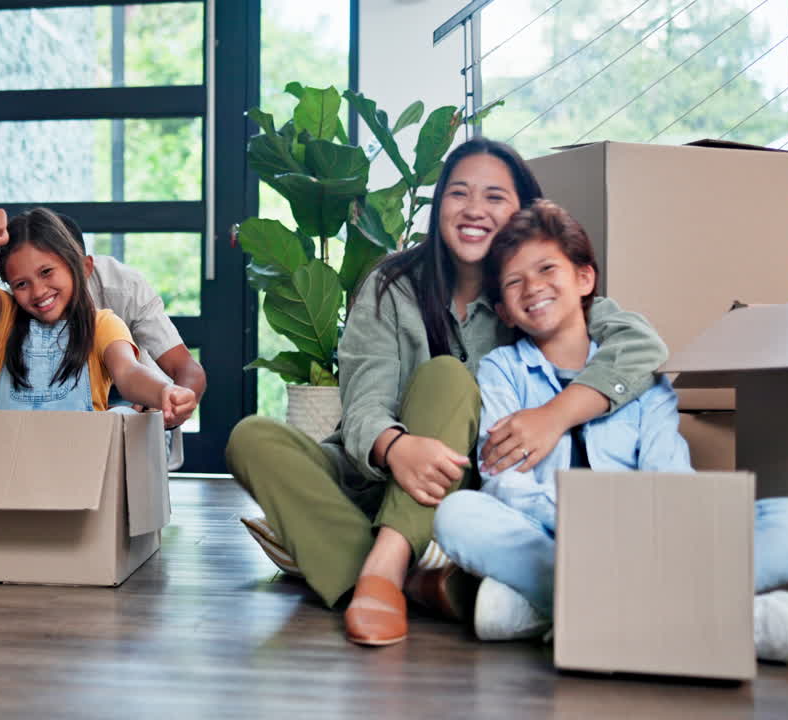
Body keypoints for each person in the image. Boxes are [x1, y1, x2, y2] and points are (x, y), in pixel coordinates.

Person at [225, 137, 669, 647]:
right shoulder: (390, 284)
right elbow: (366, 401)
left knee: (446, 376)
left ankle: (384, 567)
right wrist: (396, 446)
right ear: (440, 207)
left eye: (495, 198)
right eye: (459, 194)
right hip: (373, 479)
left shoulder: (537, 289)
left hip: (467, 491)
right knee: (251, 437)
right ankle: (416, 582)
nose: (474, 209)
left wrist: (554, 415)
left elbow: (642, 344)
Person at [432, 199, 788, 661]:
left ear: (584, 278)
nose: (533, 287)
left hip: (654, 542)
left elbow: (668, 472)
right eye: (514, 282)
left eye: (548, 269)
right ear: (505, 310)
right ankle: (716, 619)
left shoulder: (640, 373)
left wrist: (638, 529)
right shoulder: (502, 370)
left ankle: (558, 611)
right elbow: (502, 476)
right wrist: (585, 526)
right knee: (458, 514)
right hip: (557, 540)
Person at [0, 209, 207, 433]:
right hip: (13, 453)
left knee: (125, 415)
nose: (38, 291)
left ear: (84, 268)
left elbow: (127, 372)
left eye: (47, 272)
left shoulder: (105, 322)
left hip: (81, 450)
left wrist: (164, 392)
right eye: (21, 284)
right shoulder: (5, 320)